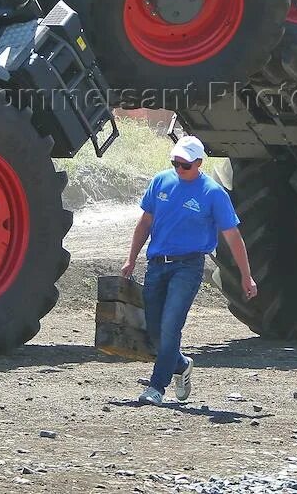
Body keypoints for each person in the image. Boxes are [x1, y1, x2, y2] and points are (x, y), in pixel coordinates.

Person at [120, 136, 257, 406]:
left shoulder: (213, 193)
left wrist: (246, 275)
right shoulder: (161, 181)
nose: (179, 169)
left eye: (184, 165)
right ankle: (180, 365)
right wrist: (131, 258)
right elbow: (145, 222)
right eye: (175, 163)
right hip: (157, 264)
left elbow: (232, 236)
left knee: (171, 327)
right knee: (156, 330)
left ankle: (156, 387)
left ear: (199, 163)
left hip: (188, 266)